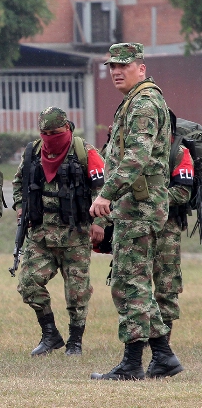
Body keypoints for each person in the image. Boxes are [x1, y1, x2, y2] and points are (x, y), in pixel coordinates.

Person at [89, 43, 183, 380]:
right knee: (134, 282)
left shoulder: (143, 103)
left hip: (139, 207)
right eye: (112, 66)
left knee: (129, 284)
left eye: (124, 66)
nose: (116, 71)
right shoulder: (135, 100)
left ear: (141, 68)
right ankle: (163, 357)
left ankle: (132, 364)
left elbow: (136, 158)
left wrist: (106, 194)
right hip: (137, 206)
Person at [12, 107, 105, 357]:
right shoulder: (32, 153)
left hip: (76, 235)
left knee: (77, 292)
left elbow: (103, 190)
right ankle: (50, 334)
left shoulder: (85, 152)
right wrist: (21, 207)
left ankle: (75, 341)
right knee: (28, 284)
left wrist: (100, 222)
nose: (50, 138)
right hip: (41, 235)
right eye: (45, 133)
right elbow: (18, 183)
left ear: (67, 127)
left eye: (55, 132)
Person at [154, 113, 194, 344]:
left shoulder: (179, 152)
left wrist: (151, 199)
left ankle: (163, 343)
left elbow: (182, 192)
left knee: (166, 284)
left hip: (167, 228)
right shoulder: (137, 153)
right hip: (139, 226)